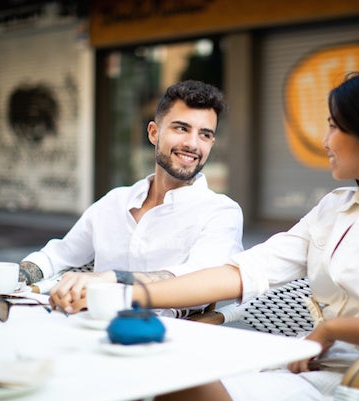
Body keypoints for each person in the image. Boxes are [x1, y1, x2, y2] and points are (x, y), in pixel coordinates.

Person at [118, 69, 359, 401]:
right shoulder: (335, 207)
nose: (325, 141)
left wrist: (333, 329)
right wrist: (131, 292)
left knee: (176, 383)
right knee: (166, 374)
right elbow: (244, 271)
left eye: (334, 127)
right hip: (302, 364)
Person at [24, 80, 244, 317]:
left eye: (204, 134)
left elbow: (198, 278)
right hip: (86, 324)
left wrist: (112, 279)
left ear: (211, 142)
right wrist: (15, 278)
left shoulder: (221, 213)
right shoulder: (115, 201)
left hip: (170, 338)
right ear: (153, 133)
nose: (192, 144)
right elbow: (58, 255)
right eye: (181, 128)